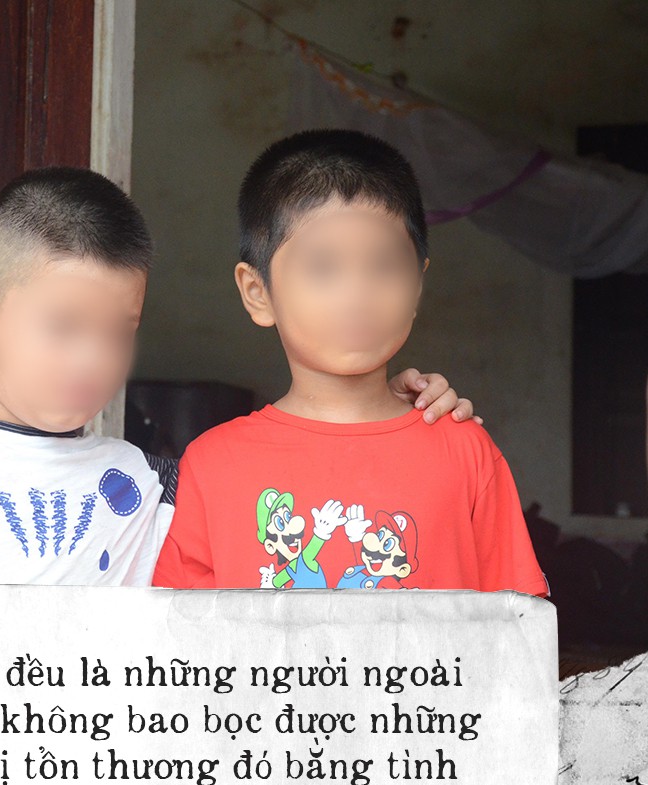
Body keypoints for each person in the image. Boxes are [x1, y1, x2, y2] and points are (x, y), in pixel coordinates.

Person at [0, 165, 475, 589]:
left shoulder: (156, 485)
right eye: (63, 327)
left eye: (118, 331)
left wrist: (390, 404)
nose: (92, 361)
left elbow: (312, 480)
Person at [150, 129, 547, 596]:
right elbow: (180, 631)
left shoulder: (465, 452)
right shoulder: (214, 464)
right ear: (258, 293)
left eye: (384, 265)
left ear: (417, 286)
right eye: (322, 268)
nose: (357, 297)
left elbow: (517, 625)